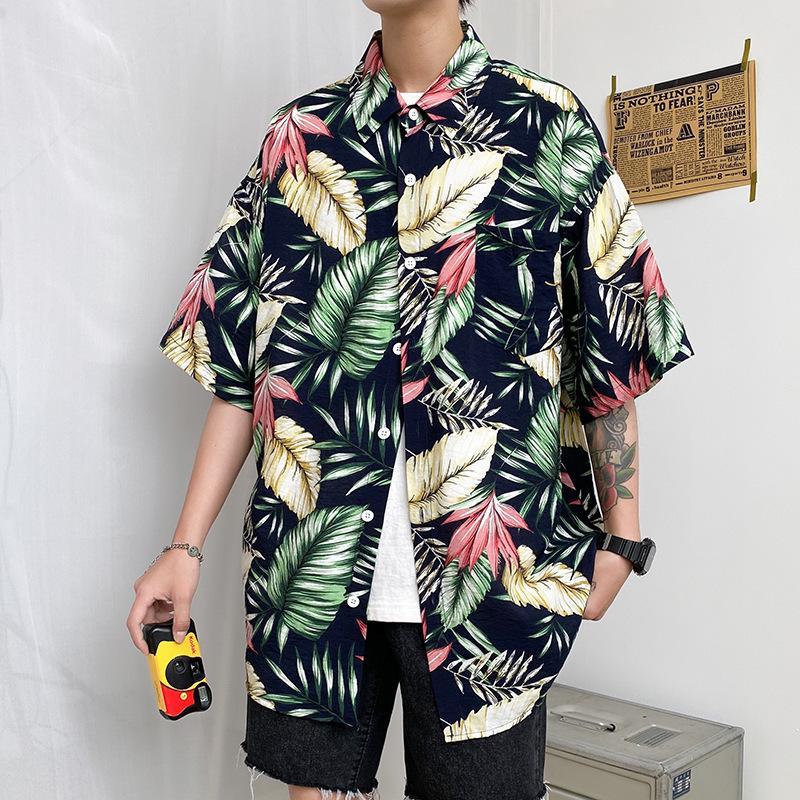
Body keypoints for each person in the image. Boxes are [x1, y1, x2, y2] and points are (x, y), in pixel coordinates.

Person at [127, 0, 695, 798]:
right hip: (312, 578)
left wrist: (625, 536)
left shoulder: (549, 126)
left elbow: (612, 342)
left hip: (492, 580)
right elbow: (237, 367)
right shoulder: (300, 138)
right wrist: (183, 548)